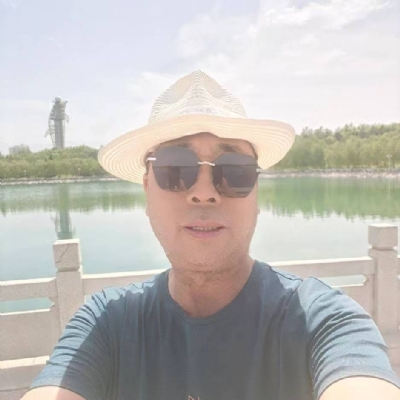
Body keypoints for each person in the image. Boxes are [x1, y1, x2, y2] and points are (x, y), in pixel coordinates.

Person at [23, 71, 400, 400]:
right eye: (174, 168)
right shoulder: (106, 325)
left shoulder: (322, 321)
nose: (204, 192)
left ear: (256, 195)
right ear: (147, 189)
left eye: (234, 170)